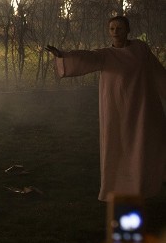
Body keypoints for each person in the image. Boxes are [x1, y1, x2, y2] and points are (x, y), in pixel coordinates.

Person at [46, 15, 166, 202]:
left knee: (141, 147)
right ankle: (116, 187)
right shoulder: (105, 55)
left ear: (128, 30)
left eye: (119, 28)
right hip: (116, 110)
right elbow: (86, 57)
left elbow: (157, 71)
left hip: (142, 108)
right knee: (116, 146)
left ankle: (141, 185)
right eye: (112, 29)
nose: (115, 32)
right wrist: (63, 55)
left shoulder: (141, 49)